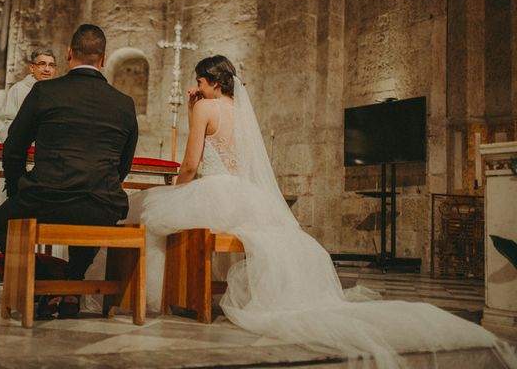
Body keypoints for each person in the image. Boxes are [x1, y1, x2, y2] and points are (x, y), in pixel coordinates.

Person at [127, 55, 516, 368]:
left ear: (210, 82)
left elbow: (191, 164)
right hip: (245, 194)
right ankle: (194, 292)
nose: (195, 88)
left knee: (151, 215)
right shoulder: (240, 111)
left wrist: (179, 190)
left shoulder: (204, 108)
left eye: (198, 81)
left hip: (212, 190)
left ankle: (158, 298)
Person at [0, 24, 138, 318]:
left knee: (0, 222)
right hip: (103, 203)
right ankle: (71, 286)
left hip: (47, 197)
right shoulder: (124, 103)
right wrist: (102, 185)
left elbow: (14, 147)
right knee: (90, 215)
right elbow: (125, 161)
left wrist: (20, 189)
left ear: (69, 53)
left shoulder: (45, 91)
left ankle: (47, 284)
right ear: (104, 58)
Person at [0, 49, 57, 142]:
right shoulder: (18, 89)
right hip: (23, 148)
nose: (47, 69)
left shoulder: (58, 91)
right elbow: (6, 122)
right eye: (42, 64)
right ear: (32, 68)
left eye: (51, 65)